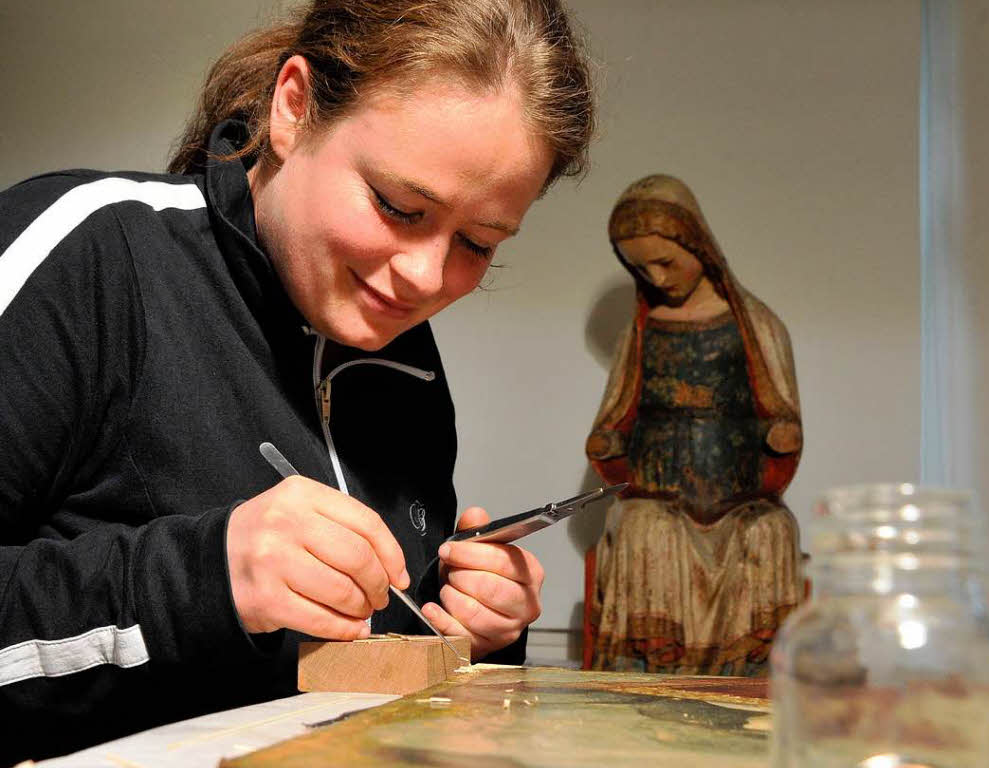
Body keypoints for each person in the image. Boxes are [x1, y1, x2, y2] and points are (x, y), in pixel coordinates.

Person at [0, 0, 594, 761]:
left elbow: (355, 676)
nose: (424, 276)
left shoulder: (403, 363)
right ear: (292, 107)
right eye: (399, 206)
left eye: (478, 244)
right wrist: (207, 579)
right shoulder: (91, 256)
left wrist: (472, 632)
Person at [586, 175, 802, 676]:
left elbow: (781, 406)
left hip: (739, 497)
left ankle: (748, 678)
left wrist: (781, 433)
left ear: (698, 244)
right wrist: (608, 438)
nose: (657, 278)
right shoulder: (638, 333)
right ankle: (648, 678)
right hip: (656, 495)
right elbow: (618, 408)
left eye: (667, 261)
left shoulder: (757, 325)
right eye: (642, 267)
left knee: (772, 532)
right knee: (640, 528)